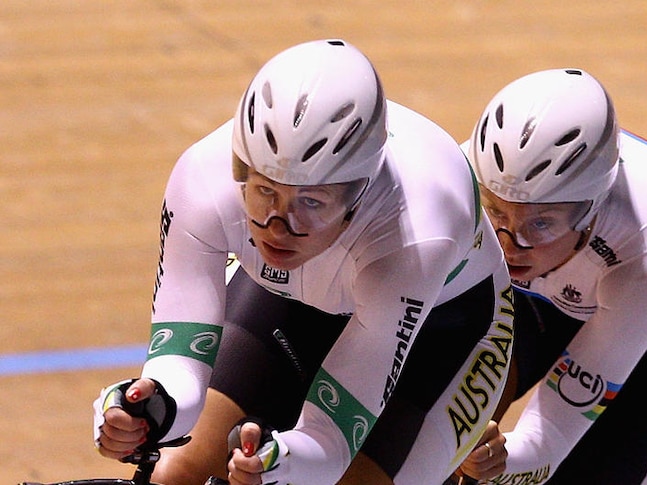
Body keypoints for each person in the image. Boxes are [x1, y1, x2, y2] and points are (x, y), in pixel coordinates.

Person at [91, 38, 514, 485]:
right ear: (240, 168)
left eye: (311, 202)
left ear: (360, 193)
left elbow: (330, 445)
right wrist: (151, 410)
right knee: (176, 474)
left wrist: (279, 462)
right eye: (265, 191)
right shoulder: (202, 181)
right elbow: (179, 364)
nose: (279, 225)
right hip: (291, 293)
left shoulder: (417, 234)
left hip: (440, 329)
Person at [461, 68, 647, 484]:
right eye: (495, 210)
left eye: (542, 223)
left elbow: (552, 436)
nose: (511, 243)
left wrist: (503, 462)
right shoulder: (458, 180)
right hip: (537, 295)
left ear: (592, 209)